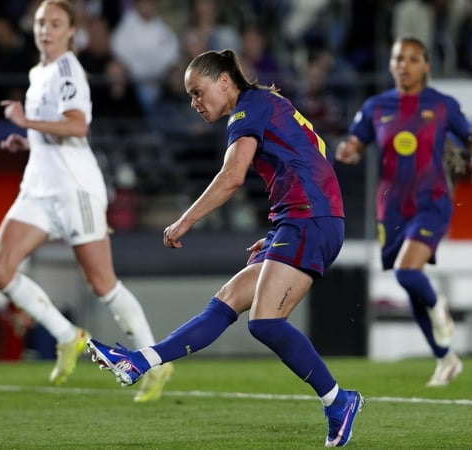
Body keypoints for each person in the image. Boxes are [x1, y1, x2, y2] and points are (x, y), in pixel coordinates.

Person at [87, 49, 363, 447]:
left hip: (310, 219)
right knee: (227, 299)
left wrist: (186, 220)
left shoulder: (249, 108)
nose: (195, 103)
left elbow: (233, 177)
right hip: (305, 218)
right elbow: (306, 162)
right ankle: (139, 361)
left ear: (223, 81)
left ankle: (339, 402)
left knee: (265, 322)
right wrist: (277, 233)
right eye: (189, 97)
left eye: (198, 92)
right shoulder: (266, 104)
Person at [0, 0, 172, 403]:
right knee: (1, 272)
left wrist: (26, 123)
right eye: (41, 23)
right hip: (39, 186)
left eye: (56, 23)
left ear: (72, 31)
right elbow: (55, 131)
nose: (46, 30)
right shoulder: (38, 72)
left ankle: (155, 362)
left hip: (75, 189)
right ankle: (66, 335)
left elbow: (77, 124)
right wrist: (29, 138)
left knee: (102, 284)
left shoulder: (69, 69)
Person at [334, 37, 472, 387]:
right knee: (410, 286)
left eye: (412, 59)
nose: (403, 65)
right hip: (391, 209)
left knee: (407, 273)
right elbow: (356, 144)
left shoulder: (442, 105)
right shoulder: (376, 106)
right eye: (397, 59)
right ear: (390, 65)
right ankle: (446, 358)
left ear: (426, 65)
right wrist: (348, 151)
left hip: (432, 201)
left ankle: (440, 307)